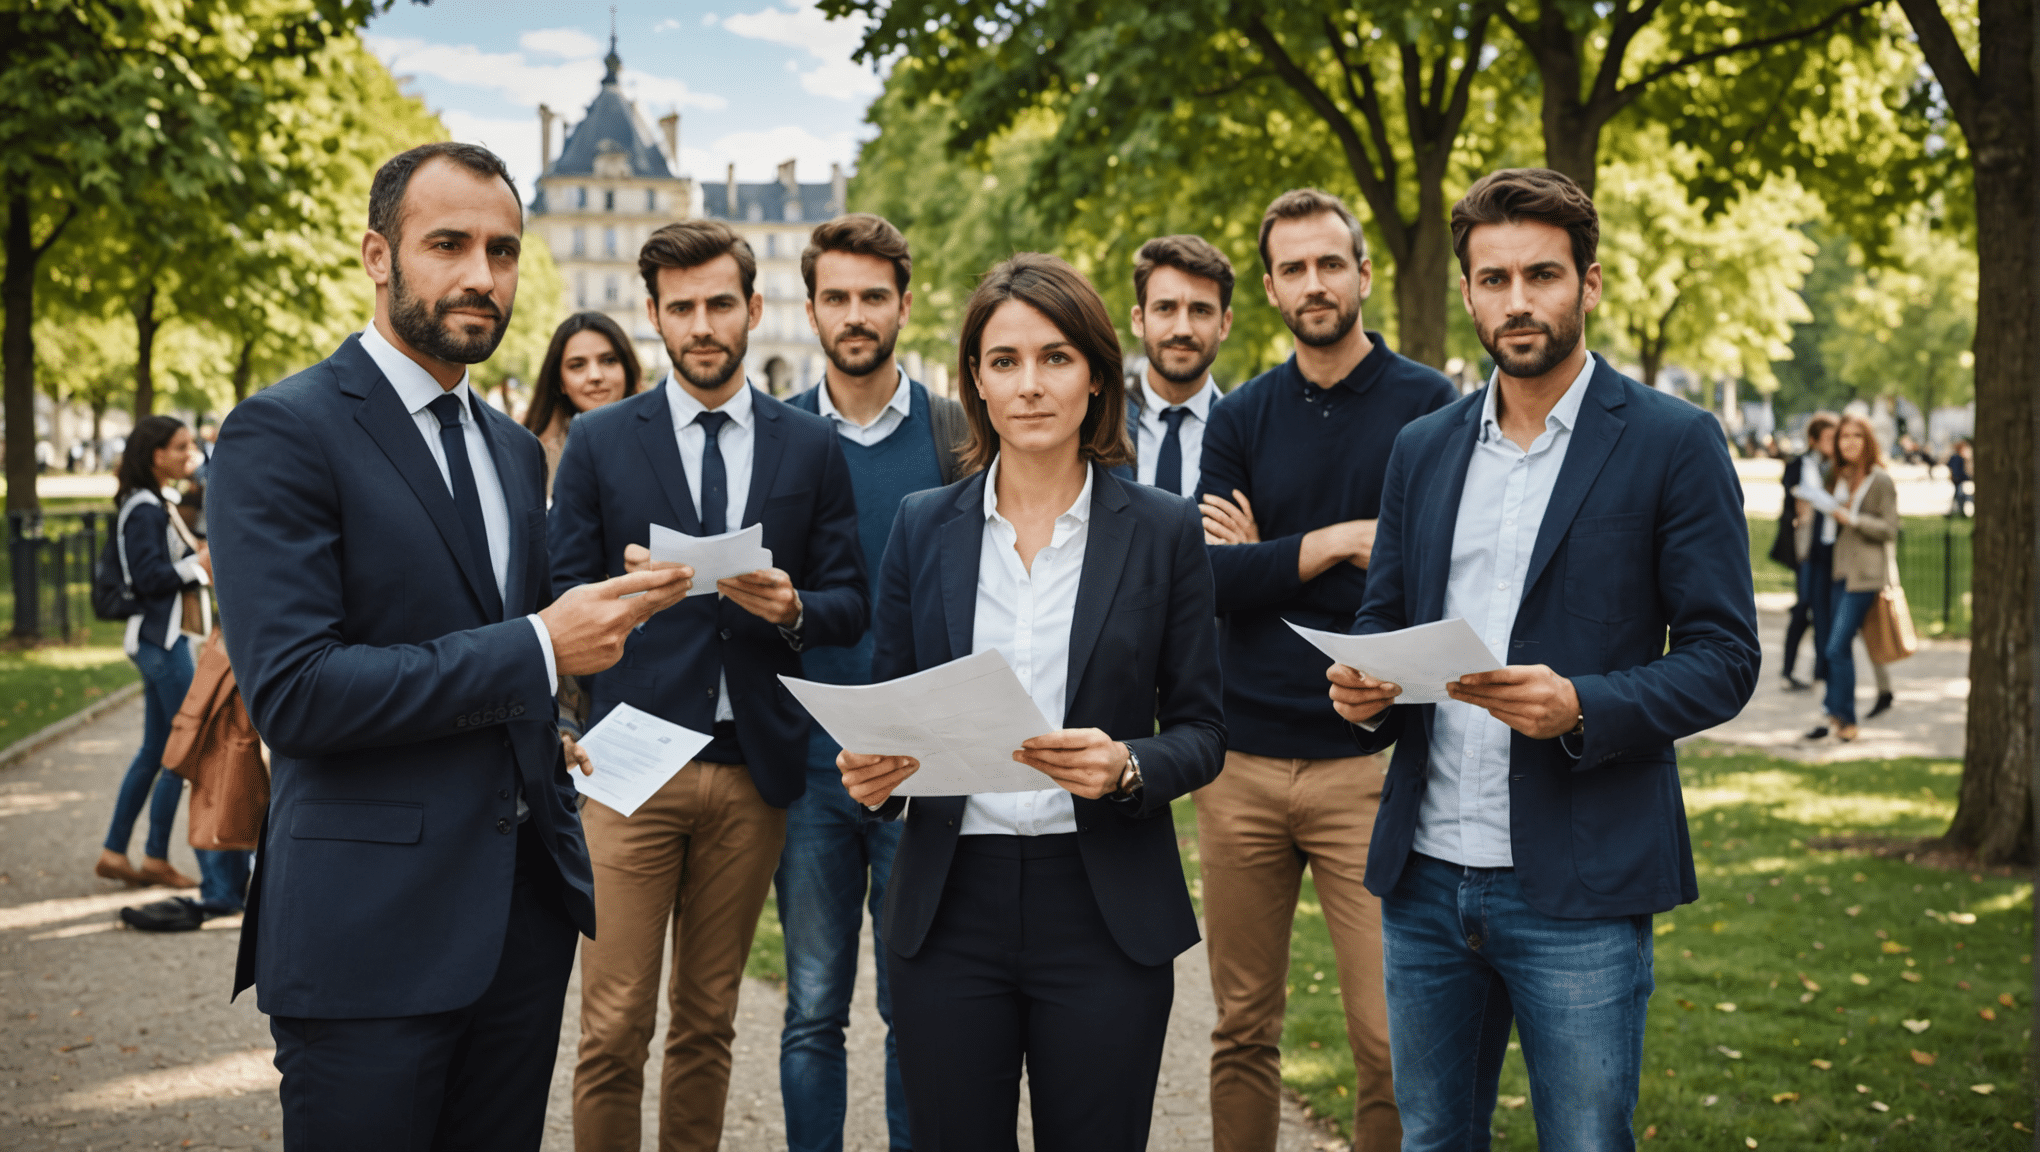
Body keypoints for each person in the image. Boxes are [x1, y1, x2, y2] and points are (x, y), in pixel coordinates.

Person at [208, 141, 691, 1151]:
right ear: (378, 256)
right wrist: (540, 649)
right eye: (449, 244)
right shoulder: (281, 430)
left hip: (519, 927)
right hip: (365, 933)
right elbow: (296, 695)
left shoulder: (514, 450)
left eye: (504, 250)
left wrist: (543, 727)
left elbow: (487, 656)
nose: (482, 274)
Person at [1327, 168, 1760, 1149]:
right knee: (1433, 1139)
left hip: (1582, 881)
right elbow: (1388, 620)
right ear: (1469, 291)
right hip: (1427, 874)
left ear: (1589, 284)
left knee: (1586, 1142)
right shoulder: (1422, 447)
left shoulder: (1673, 441)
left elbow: (1725, 656)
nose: (1517, 301)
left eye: (1542, 276)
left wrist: (1583, 706)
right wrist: (1364, 691)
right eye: (1493, 279)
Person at [835, 252, 1225, 1151]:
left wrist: (1129, 765)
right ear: (975, 380)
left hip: (1102, 907)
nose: (1030, 385)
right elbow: (894, 713)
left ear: (1095, 373)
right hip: (949, 904)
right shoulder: (923, 526)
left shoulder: (1164, 529)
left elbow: (1205, 730)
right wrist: (880, 778)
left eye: (1055, 358)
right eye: (1004, 362)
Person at [549, 218, 868, 1152]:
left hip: (752, 771)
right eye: (680, 307)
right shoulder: (603, 442)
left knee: (707, 1021)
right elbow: (557, 597)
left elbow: (848, 601)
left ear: (753, 309)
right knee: (612, 1027)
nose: (701, 323)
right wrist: (622, 600)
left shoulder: (809, 446)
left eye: (718, 304)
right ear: (652, 317)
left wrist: (792, 605)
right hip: (629, 765)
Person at [1193, 188, 1456, 1152]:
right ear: (1269, 288)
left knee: (1388, 1037)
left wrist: (1277, 557)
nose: (1314, 283)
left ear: (1363, 274)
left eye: (1329, 264)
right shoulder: (1243, 415)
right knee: (1241, 1028)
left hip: (1370, 770)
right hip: (1242, 769)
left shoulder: (1430, 406)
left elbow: (1433, 571)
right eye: (1294, 269)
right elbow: (1215, 579)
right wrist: (1344, 539)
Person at [778, 212, 966, 1152]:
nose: (856, 315)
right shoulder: (774, 440)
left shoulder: (954, 432)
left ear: (903, 302)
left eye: (873, 297)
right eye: (838, 298)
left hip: (921, 771)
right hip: (810, 772)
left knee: (913, 1004)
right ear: (809, 308)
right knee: (812, 1009)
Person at [93, 415, 207, 895]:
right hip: (161, 641)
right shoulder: (144, 508)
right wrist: (196, 564)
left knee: (155, 750)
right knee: (185, 750)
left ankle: (116, 852)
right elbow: (148, 579)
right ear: (156, 454)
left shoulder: (155, 502)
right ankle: (156, 856)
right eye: (180, 447)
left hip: (162, 640)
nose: (190, 455)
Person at [1809, 413, 1898, 743]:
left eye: (1856, 436)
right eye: (1844, 436)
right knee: (1838, 647)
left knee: (1835, 647)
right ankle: (1835, 712)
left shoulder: (1880, 480)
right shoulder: (1839, 477)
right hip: (1839, 572)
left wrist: (1853, 519)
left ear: (1867, 441)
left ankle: (1844, 716)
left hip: (1867, 576)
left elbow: (1890, 528)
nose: (1848, 442)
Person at [1121, 234, 1233, 494]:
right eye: (1165, 308)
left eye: (1200, 311)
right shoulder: (1098, 424)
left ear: (1224, 324)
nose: (1182, 329)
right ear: (1139, 320)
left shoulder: (1247, 433)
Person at [522, 310, 642, 500]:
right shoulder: (533, 458)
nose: (595, 376)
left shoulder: (663, 440)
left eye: (609, 360)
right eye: (577, 365)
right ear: (560, 382)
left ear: (627, 370)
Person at [1778, 412, 1838, 692]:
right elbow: (1790, 503)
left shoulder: (1838, 467)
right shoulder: (1801, 465)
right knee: (1803, 608)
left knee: (1823, 610)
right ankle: (1789, 670)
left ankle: (1820, 672)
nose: (1832, 442)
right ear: (1813, 440)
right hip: (1806, 548)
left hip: (1830, 548)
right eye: (1827, 437)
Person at [1948, 437, 1971, 517]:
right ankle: (1960, 513)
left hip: (1958, 479)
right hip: (1959, 479)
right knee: (1959, 496)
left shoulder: (1956, 458)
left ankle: (1954, 513)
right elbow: (1959, 471)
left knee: (1958, 496)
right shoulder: (1959, 458)